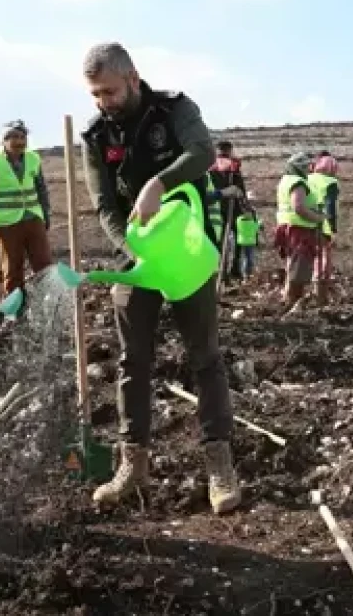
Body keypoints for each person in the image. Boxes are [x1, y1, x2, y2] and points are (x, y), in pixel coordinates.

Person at [78, 41, 241, 514]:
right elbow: (105, 206)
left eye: (109, 91)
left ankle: (219, 464)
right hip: (139, 261)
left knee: (204, 357)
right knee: (133, 361)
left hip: (189, 252)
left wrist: (159, 183)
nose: (103, 102)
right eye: (95, 95)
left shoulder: (174, 110)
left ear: (132, 78)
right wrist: (137, 253)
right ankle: (134, 464)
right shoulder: (95, 138)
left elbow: (203, 152)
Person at [0, 120, 54, 296]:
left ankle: (44, 304)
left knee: (44, 265)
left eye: (23, 137)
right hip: (7, 224)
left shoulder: (33, 158)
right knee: (12, 270)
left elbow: (41, 189)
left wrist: (46, 214)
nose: (20, 141)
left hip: (34, 219)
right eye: (14, 137)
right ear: (4, 141)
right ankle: (15, 311)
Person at [273, 152, 327, 305]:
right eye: (305, 167)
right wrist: (318, 217)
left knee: (292, 266)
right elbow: (299, 207)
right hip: (299, 230)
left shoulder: (286, 180)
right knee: (298, 270)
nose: (308, 170)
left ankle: (288, 302)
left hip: (288, 228)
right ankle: (292, 303)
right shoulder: (298, 183)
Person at [209, 140, 247, 281]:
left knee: (219, 241)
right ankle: (234, 269)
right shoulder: (233, 167)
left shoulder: (210, 166)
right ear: (230, 150)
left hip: (215, 208)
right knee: (237, 240)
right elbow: (240, 190)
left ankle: (221, 272)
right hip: (231, 208)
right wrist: (246, 207)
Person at [307, 155, 340, 303]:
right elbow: (330, 206)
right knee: (325, 256)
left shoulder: (308, 179)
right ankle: (321, 291)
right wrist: (333, 229)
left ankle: (313, 288)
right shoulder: (331, 182)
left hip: (306, 222)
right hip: (323, 224)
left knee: (313, 256)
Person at [233, 193, 262, 279]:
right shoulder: (247, 221)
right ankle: (247, 274)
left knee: (246, 258)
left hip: (244, 241)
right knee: (248, 259)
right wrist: (259, 225)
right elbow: (253, 228)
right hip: (249, 241)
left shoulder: (239, 220)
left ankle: (247, 274)